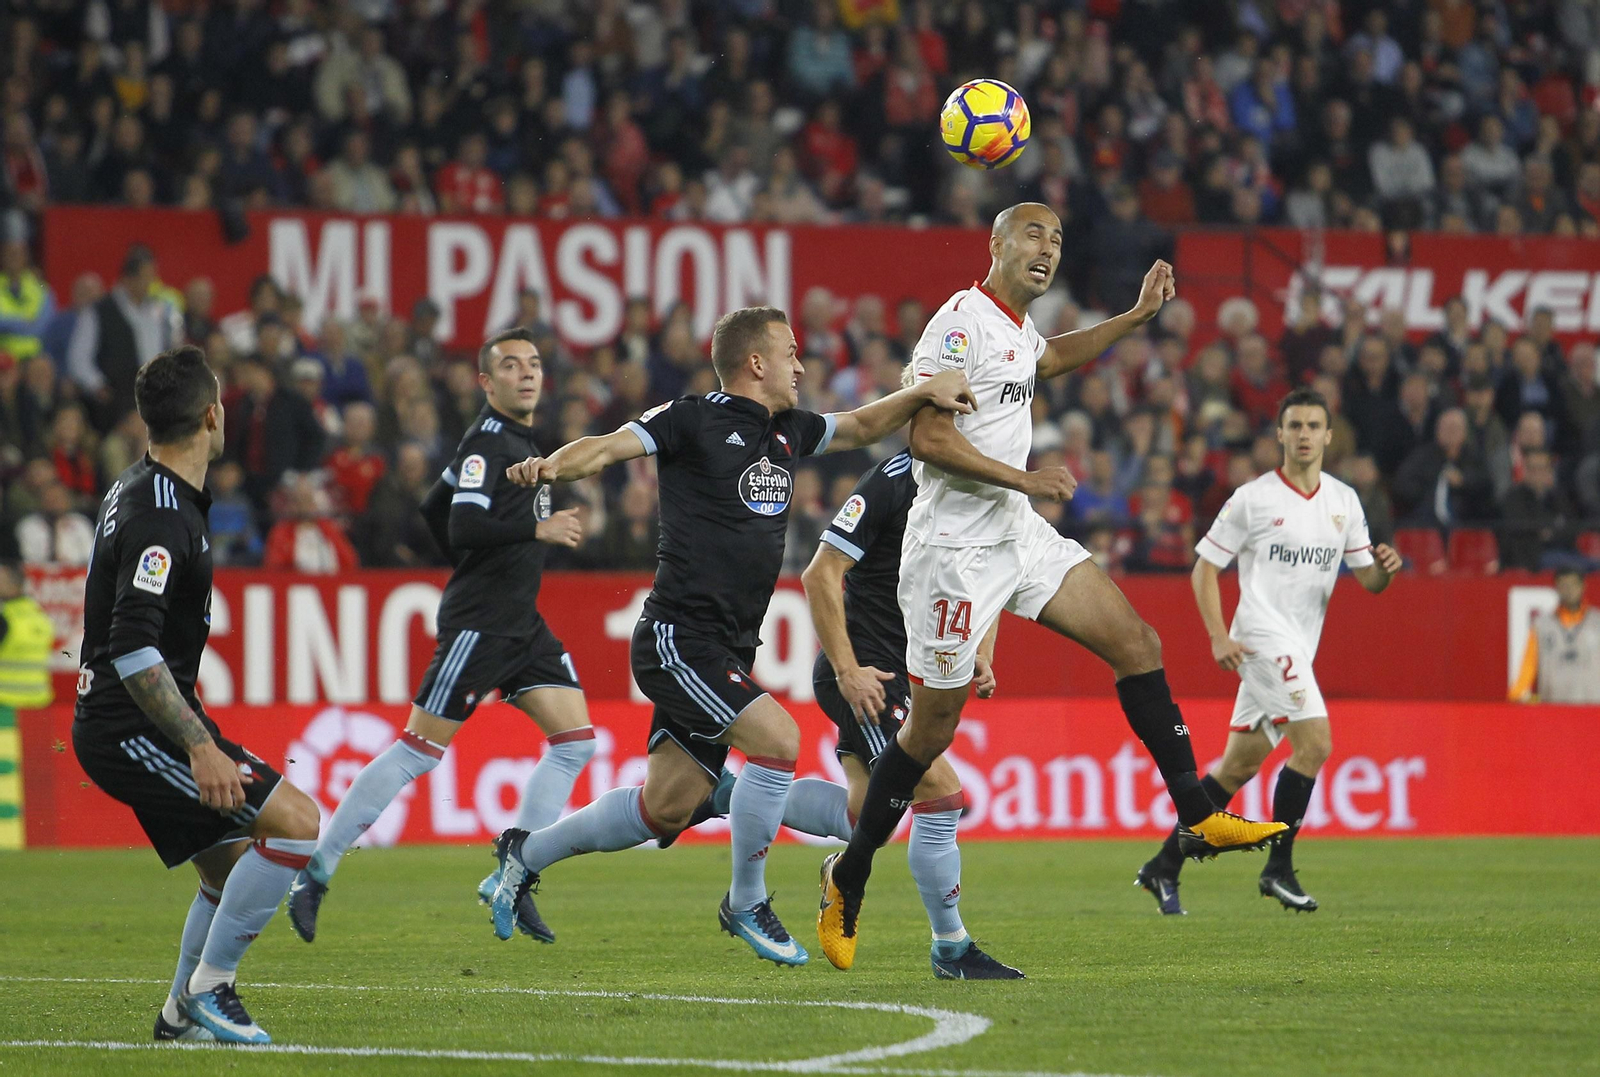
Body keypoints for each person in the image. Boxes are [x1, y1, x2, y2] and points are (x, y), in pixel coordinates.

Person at [815, 203, 1285, 973]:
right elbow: (927, 438)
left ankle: (1197, 816)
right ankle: (851, 872)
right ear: (996, 245)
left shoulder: (1014, 329)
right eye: (1032, 233)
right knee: (928, 733)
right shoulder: (959, 324)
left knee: (1138, 643)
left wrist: (1135, 316)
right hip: (952, 553)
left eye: (1058, 237)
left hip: (1015, 531)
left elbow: (1047, 359)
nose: (1048, 246)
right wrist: (1024, 477)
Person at [487, 305, 974, 966]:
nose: (802, 365)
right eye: (791, 352)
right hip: (678, 638)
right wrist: (548, 466)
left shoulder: (788, 431)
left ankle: (523, 854)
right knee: (779, 740)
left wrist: (921, 391)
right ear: (756, 362)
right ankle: (746, 899)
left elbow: (862, 423)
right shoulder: (691, 418)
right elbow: (606, 447)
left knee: (665, 807)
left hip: (727, 648)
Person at [287, 329, 591, 946]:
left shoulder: (519, 441)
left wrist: (490, 560)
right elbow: (463, 519)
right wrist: (533, 536)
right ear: (487, 382)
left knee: (575, 742)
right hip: (480, 625)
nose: (526, 373)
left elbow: (433, 508)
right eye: (510, 365)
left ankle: (516, 871)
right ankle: (314, 874)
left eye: (533, 363)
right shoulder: (488, 440)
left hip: (520, 623)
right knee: (417, 753)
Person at [71, 346, 321, 1045]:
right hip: (129, 724)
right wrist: (200, 745)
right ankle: (213, 987)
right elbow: (132, 646)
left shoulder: (140, 485)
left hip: (124, 716)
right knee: (297, 824)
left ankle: (180, 1016)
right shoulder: (161, 515)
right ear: (212, 416)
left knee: (228, 869)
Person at [1136, 388, 1402, 916]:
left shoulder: (1343, 502)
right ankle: (1278, 869)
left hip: (1300, 644)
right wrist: (1218, 635)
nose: (1304, 435)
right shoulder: (1253, 498)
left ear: (1328, 435)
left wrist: (1383, 571)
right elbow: (1204, 568)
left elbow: (1366, 579)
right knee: (1316, 744)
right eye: (1294, 425)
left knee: (1236, 768)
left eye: (1313, 426)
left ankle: (1163, 867)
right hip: (1260, 637)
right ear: (1279, 434)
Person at [798, 444, 1020, 979]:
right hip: (868, 674)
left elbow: (987, 582)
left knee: (862, 812)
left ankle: (730, 795)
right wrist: (848, 670)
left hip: (916, 676)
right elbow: (819, 574)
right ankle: (951, 947)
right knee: (941, 795)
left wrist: (981, 654)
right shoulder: (892, 482)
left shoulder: (982, 484)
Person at [1508, 568, 1600, 704]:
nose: (1569, 590)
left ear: (1582, 586)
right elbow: (1529, 664)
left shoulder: (1597, 622)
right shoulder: (1542, 625)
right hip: (1554, 709)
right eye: (1563, 585)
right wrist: (1517, 694)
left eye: (1573, 584)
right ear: (1556, 588)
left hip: (1593, 708)